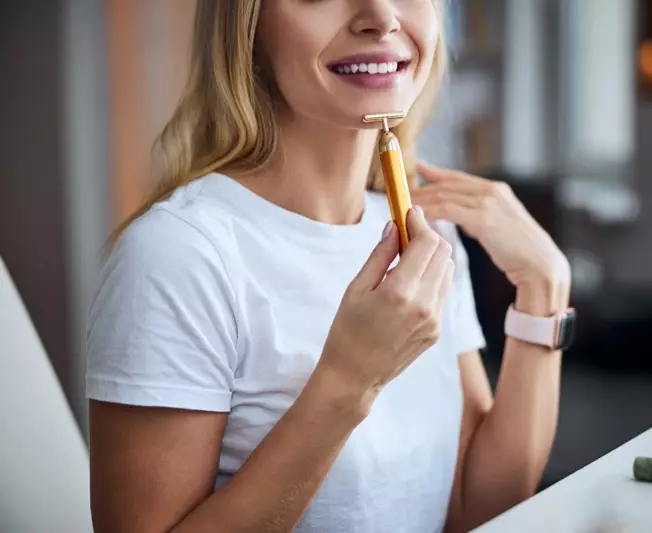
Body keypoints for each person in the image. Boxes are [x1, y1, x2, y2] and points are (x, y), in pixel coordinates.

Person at [86, 1, 571, 532]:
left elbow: (478, 509)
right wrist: (347, 382)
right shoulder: (178, 255)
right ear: (248, 29)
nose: (382, 17)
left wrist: (543, 289)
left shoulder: (424, 233)